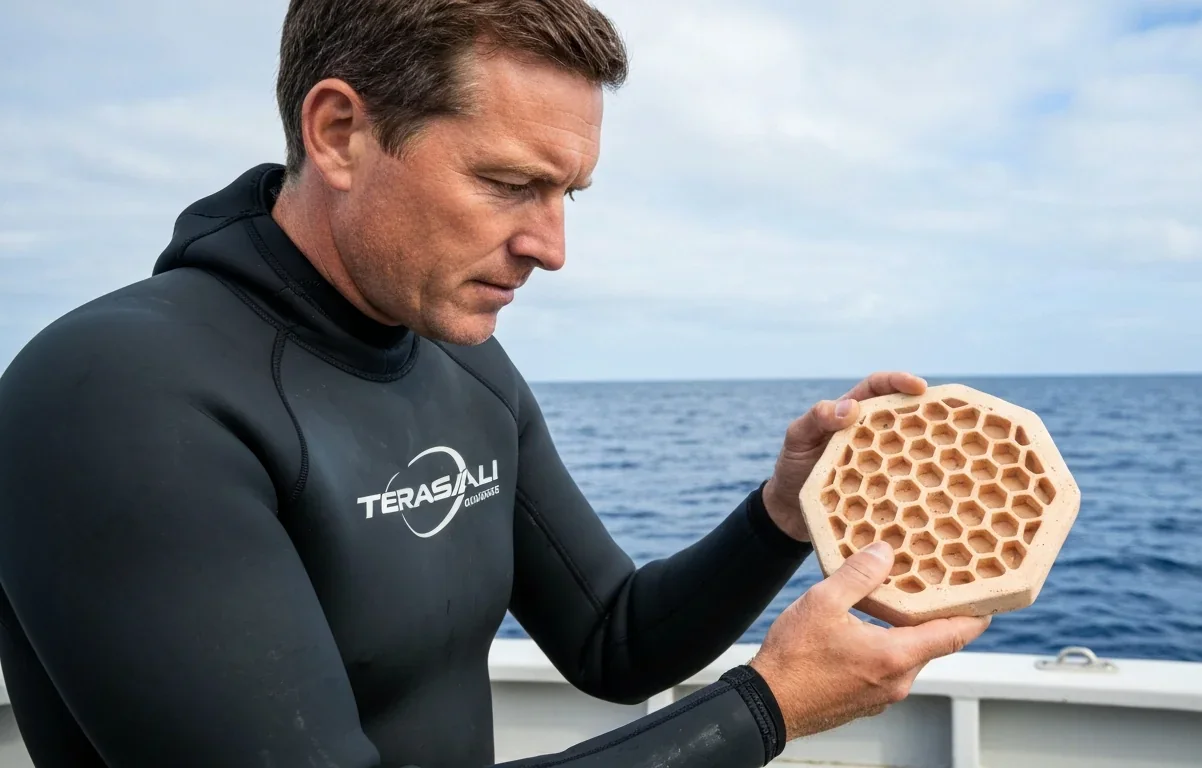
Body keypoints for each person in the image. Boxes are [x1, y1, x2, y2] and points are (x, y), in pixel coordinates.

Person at [0, 1, 990, 766]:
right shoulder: (113, 396)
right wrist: (766, 707)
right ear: (339, 132)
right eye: (510, 185)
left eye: (567, 195)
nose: (550, 248)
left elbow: (616, 640)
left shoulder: (460, 358)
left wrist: (782, 512)